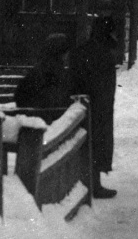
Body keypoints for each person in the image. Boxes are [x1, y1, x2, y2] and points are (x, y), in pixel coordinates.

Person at [72, 15, 123, 198]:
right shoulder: (104, 53)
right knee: (97, 144)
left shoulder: (83, 50)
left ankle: (90, 183)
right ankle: (94, 185)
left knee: (89, 144)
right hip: (100, 107)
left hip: (84, 104)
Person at [15, 34, 76, 110]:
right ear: (61, 53)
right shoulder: (58, 72)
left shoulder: (37, 70)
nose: (68, 55)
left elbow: (19, 97)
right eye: (66, 52)